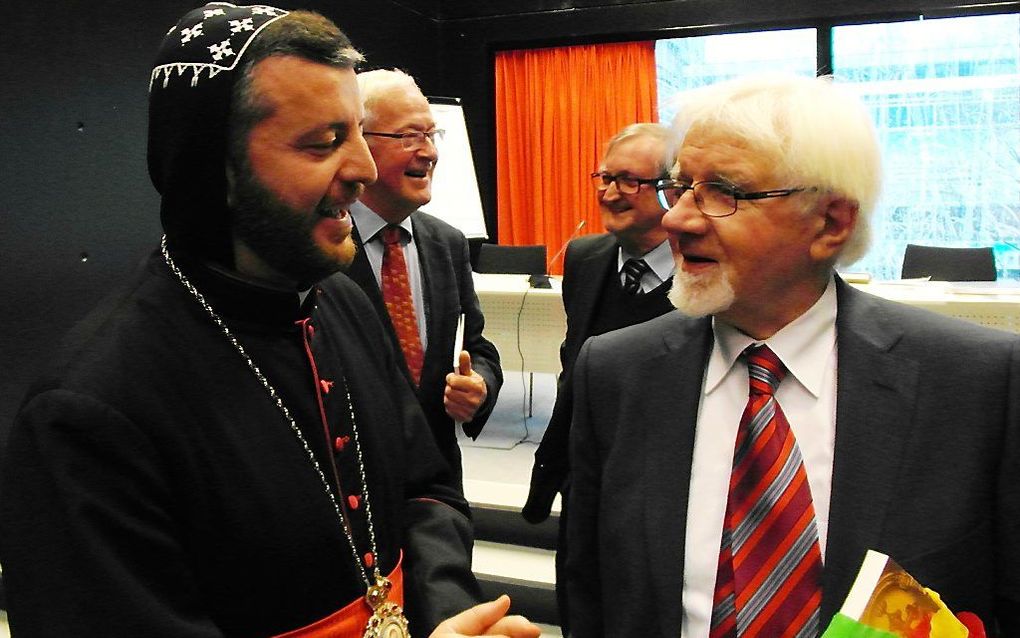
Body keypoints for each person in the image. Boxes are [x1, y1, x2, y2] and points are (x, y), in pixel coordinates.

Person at [0, 5, 538, 638]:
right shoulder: (86, 414)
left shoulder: (342, 304)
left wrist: (447, 613)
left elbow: (425, 488)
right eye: (323, 142)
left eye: (361, 134)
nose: (364, 169)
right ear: (212, 168)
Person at [566, 74, 1020, 637]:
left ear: (830, 223)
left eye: (724, 192)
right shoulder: (615, 373)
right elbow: (588, 597)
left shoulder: (976, 384)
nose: (677, 219)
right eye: (680, 186)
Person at [522, 122, 677, 631]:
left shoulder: (706, 270)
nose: (609, 193)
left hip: (663, 484)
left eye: (628, 180)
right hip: (585, 475)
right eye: (604, 177)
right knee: (581, 604)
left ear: (671, 190)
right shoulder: (586, 260)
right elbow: (575, 375)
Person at [343, 68, 502, 490]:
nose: (429, 152)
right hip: (352, 486)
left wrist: (479, 386)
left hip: (437, 482)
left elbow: (476, 346)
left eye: (432, 136)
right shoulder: (321, 243)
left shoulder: (446, 243)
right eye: (411, 136)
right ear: (360, 141)